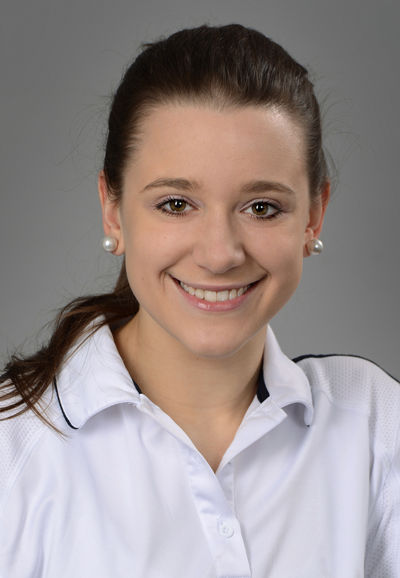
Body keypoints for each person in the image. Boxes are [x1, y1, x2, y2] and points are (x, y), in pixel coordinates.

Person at [0, 23, 399, 578]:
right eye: (175, 204)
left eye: (261, 207)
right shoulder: (13, 444)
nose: (219, 255)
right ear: (113, 211)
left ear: (313, 217)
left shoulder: (374, 423)